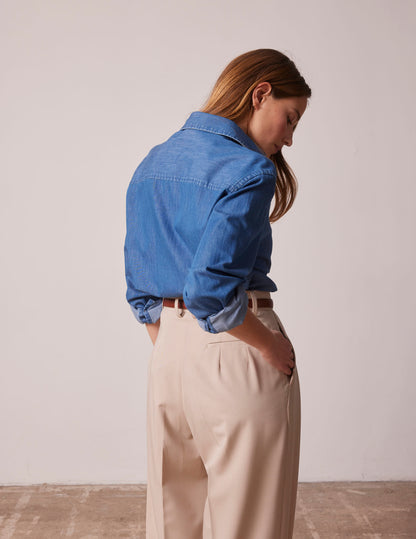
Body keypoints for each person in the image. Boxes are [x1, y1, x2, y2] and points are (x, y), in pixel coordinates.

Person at [124, 48, 312, 539]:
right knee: (248, 526)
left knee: (171, 523)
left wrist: (175, 344)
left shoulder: (153, 161)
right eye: (291, 118)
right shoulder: (250, 169)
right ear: (260, 94)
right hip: (240, 352)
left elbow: (139, 283)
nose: (290, 137)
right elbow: (211, 291)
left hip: (168, 355)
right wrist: (271, 347)